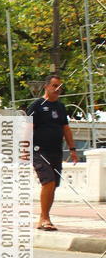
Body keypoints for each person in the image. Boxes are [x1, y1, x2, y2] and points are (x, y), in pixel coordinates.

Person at [26, 75, 78, 231]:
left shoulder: (61, 107)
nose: (57, 89)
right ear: (46, 87)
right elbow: (28, 128)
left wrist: (72, 149)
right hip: (39, 151)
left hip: (56, 151)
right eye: (54, 86)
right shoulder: (36, 105)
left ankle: (44, 216)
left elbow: (66, 129)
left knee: (53, 184)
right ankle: (44, 218)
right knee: (48, 182)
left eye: (59, 87)